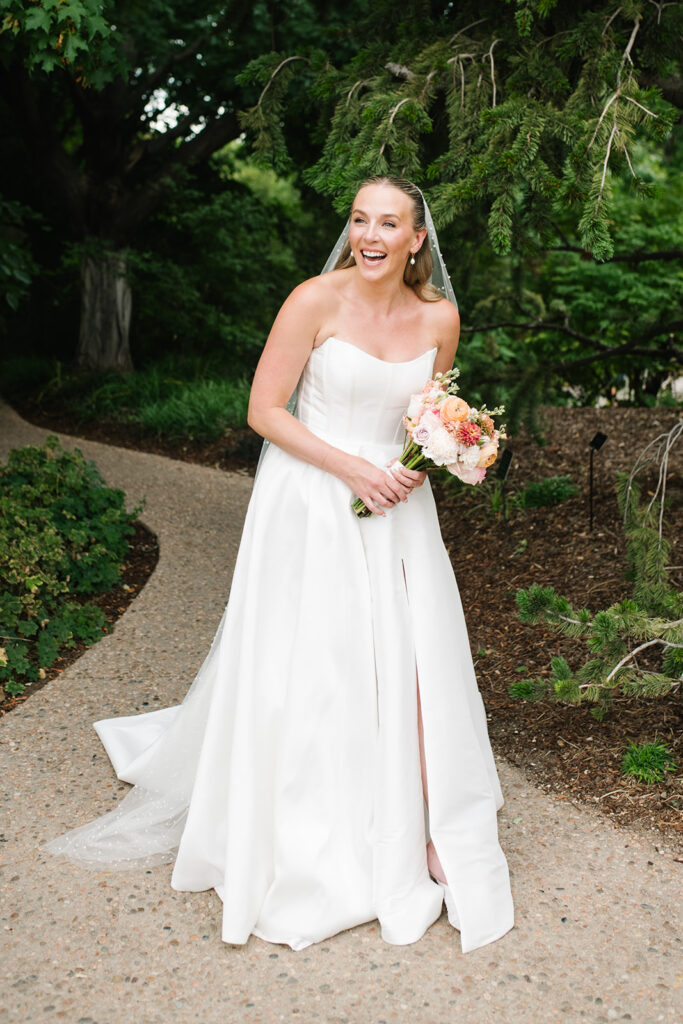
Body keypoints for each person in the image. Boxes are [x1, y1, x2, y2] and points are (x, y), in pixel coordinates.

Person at [46, 176, 514, 954]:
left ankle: (415, 814)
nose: (369, 235)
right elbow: (264, 411)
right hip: (311, 495)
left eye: (387, 223)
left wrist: (428, 458)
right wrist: (353, 470)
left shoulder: (440, 317)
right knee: (322, 657)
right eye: (359, 219)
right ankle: (312, 815)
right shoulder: (312, 301)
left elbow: (427, 416)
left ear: (415, 239)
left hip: (396, 508)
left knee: (403, 654)